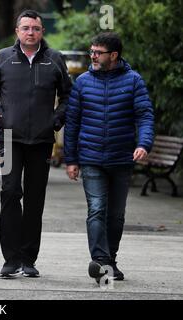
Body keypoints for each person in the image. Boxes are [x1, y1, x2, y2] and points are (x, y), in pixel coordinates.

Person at [0, 9, 72, 278]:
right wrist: (0, 118)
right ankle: (10, 259)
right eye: (26, 28)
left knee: (35, 200)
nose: (30, 32)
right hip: (10, 138)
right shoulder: (2, 57)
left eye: (35, 28)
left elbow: (68, 96)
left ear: (42, 31)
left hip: (42, 141)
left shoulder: (55, 59)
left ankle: (28, 258)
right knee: (10, 193)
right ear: (17, 32)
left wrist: (55, 121)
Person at [64, 32, 154, 283]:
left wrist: (144, 143)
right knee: (96, 209)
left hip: (121, 159)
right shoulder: (82, 82)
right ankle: (101, 261)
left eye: (97, 52)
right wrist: (71, 160)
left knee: (116, 215)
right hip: (91, 159)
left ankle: (110, 260)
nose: (92, 56)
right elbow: (72, 123)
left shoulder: (133, 81)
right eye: (91, 51)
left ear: (113, 55)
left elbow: (144, 115)